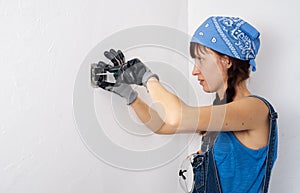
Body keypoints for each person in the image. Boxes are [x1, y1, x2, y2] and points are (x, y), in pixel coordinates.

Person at [97, 16, 278, 193]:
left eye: (201, 60)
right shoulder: (221, 113)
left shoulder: (255, 109)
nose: (194, 70)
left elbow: (177, 117)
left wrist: (148, 78)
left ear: (226, 61)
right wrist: (130, 96)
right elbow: (162, 125)